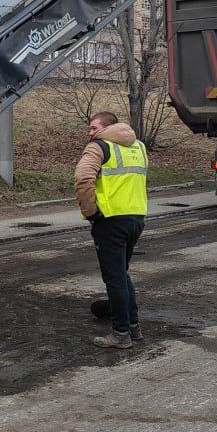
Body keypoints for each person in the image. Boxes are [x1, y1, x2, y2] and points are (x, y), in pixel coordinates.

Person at [75, 111, 149, 349]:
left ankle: (120, 334)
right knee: (122, 274)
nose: (90, 132)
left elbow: (83, 178)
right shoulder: (138, 146)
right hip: (136, 217)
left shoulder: (99, 147)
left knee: (114, 278)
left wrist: (91, 213)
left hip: (110, 221)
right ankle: (134, 326)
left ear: (107, 128)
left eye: (94, 127)